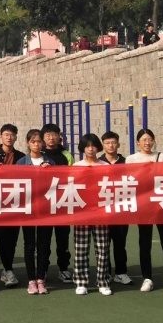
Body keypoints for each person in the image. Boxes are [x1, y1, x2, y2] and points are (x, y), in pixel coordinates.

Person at [126, 128, 163, 297]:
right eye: (144, 140)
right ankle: (147, 278)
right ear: (138, 143)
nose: (147, 142)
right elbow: (129, 180)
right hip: (144, 206)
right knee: (144, 243)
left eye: (150, 139)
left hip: (162, 204)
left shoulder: (161, 156)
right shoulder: (131, 159)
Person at [0, 123, 25, 288]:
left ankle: (7, 269)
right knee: (1, 238)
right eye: (6, 134)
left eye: (12, 135)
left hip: (15, 202)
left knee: (12, 238)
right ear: (0, 136)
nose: (9, 137)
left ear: (16, 137)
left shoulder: (21, 156)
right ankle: (8, 269)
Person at [72, 134, 112, 296]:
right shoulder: (76, 166)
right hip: (82, 213)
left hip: (101, 212)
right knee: (81, 248)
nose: (90, 149)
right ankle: (81, 282)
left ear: (98, 147)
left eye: (93, 145)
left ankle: (103, 281)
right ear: (82, 148)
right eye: (87, 146)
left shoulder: (105, 165)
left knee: (103, 249)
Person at [17, 129, 52, 294]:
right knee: (29, 245)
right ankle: (31, 280)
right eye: (33, 141)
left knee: (44, 245)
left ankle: (41, 279)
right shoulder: (21, 163)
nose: (36, 144)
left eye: (39, 141)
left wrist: (50, 170)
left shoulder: (50, 161)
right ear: (28, 143)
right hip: (28, 210)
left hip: (46, 209)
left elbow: (58, 182)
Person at [41, 123, 73, 284]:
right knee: (44, 240)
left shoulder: (66, 155)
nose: (51, 137)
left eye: (54, 134)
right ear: (43, 138)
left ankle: (63, 268)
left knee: (63, 239)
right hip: (44, 204)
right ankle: (43, 269)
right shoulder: (38, 155)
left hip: (62, 203)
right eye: (47, 135)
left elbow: (73, 176)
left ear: (59, 136)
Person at [99, 131, 130, 285]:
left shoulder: (126, 162)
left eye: (113, 142)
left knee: (120, 243)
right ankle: (105, 273)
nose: (110, 145)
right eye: (107, 143)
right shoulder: (98, 163)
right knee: (103, 244)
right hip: (102, 209)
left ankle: (121, 272)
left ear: (118, 144)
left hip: (121, 209)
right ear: (103, 145)